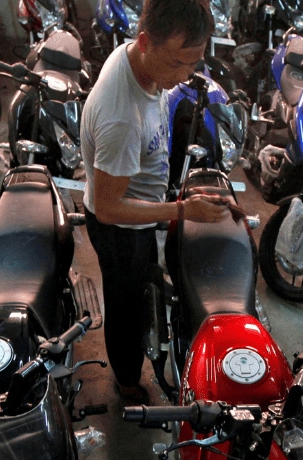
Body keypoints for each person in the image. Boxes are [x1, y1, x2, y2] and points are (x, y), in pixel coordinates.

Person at [80, 0, 232, 404]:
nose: (184, 76)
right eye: (178, 63)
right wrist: (182, 210)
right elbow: (108, 209)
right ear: (145, 42)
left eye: (194, 63)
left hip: (140, 205)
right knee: (126, 304)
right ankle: (127, 381)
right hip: (120, 228)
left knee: (143, 285)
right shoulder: (121, 118)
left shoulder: (141, 61)